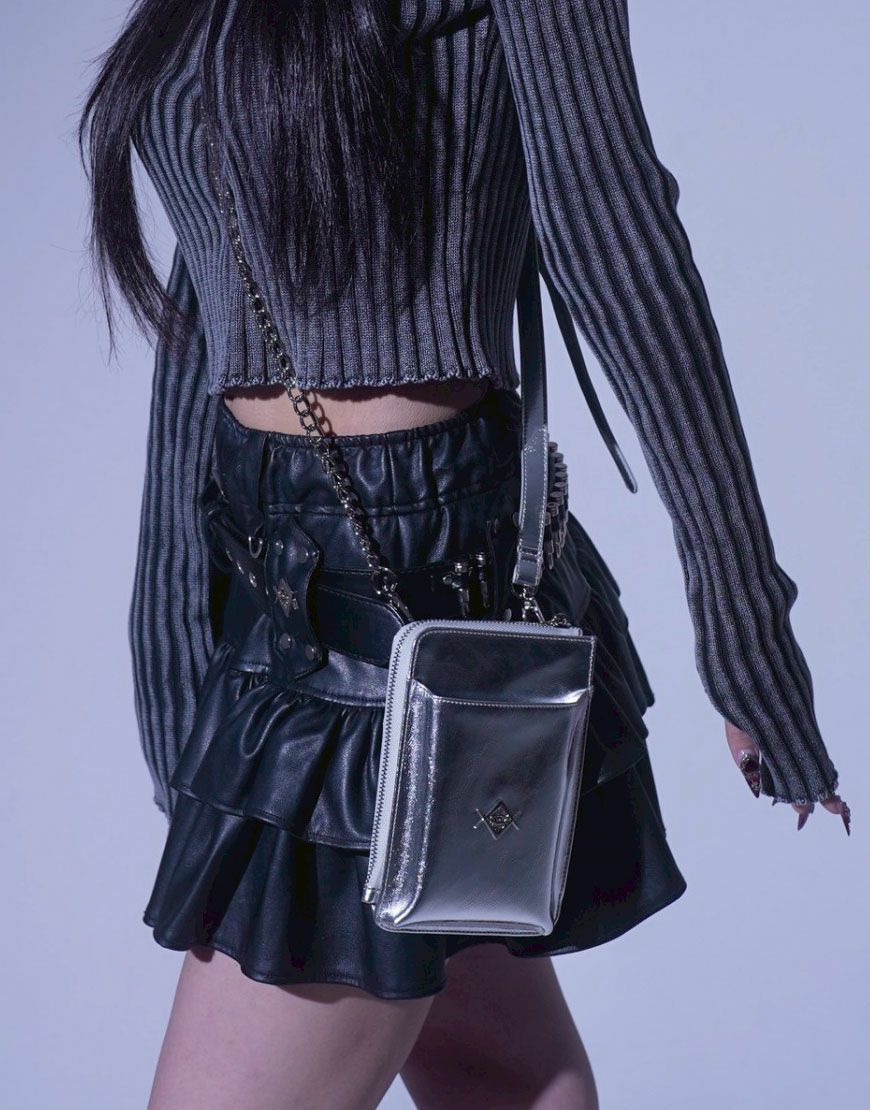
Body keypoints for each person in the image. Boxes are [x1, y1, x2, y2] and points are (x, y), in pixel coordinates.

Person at [79, 2, 849, 1107]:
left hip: (422, 592)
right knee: (502, 1075)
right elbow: (214, 290)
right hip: (269, 584)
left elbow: (621, 247)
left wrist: (746, 631)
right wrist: (173, 640)